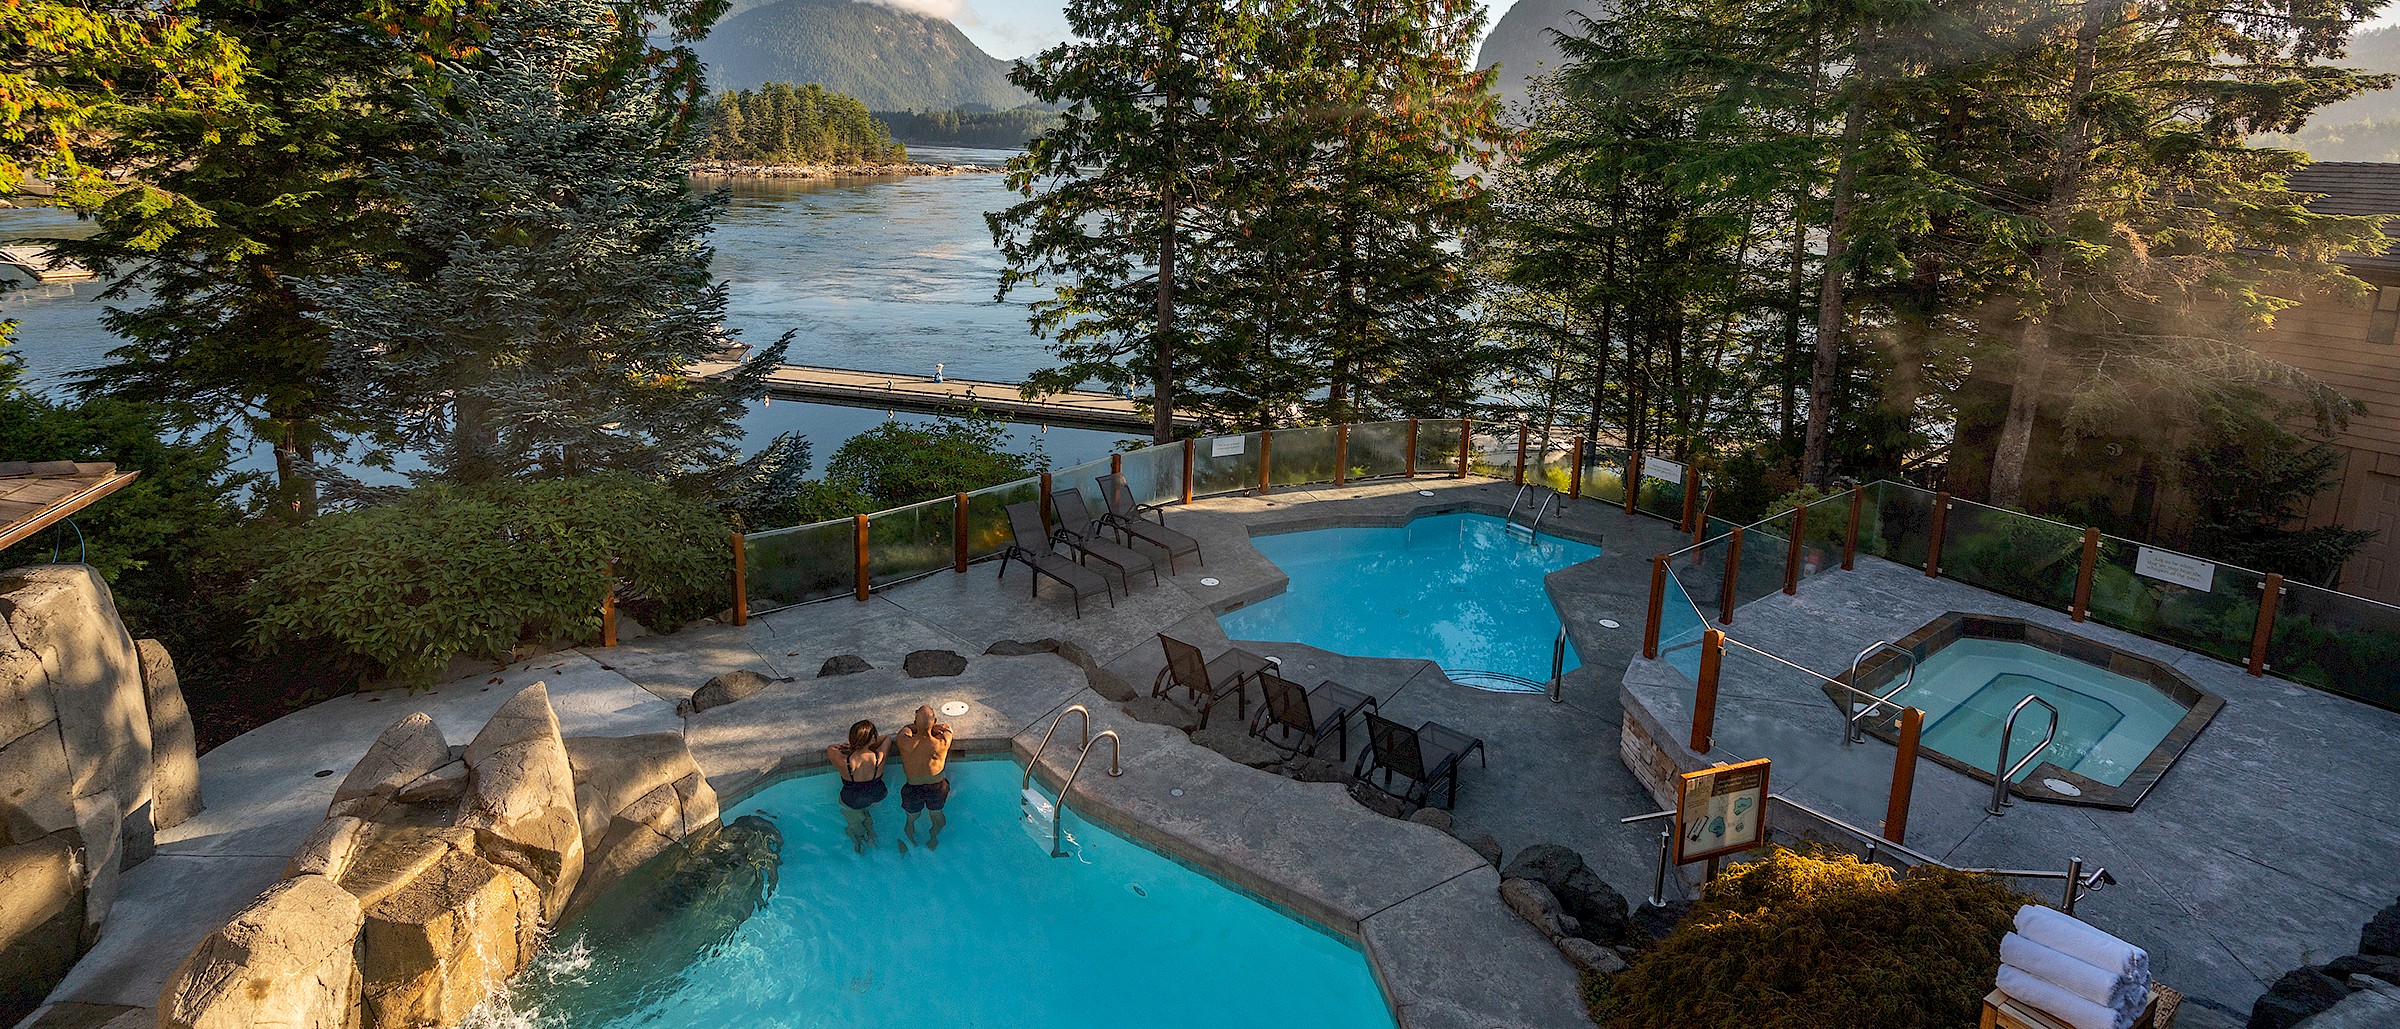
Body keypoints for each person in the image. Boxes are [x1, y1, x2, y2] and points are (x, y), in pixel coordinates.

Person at [895, 704, 955, 849]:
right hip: (937, 787)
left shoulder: (904, 742)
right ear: (934, 721)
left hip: (913, 788)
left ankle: (910, 841)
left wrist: (917, 725)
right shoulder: (942, 742)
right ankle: (933, 838)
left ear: (915, 722)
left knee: (911, 819)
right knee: (937, 816)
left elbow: (906, 729)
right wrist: (935, 726)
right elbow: (948, 729)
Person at [827, 720, 891, 853]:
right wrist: (871, 743)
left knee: (854, 825)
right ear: (872, 739)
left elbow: (831, 748)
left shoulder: (845, 762)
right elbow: (887, 738)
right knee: (867, 814)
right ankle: (871, 836)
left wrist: (851, 748)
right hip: (876, 795)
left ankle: (858, 845)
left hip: (853, 800)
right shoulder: (879, 757)